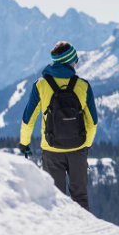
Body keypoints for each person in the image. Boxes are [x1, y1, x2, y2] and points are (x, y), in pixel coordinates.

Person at [19, 41, 98, 211]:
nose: (76, 63)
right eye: (75, 60)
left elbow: (28, 119)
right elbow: (92, 123)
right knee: (80, 198)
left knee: (56, 199)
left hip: (51, 149)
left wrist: (24, 143)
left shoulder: (41, 85)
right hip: (78, 149)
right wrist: (86, 145)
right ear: (70, 61)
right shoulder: (83, 86)